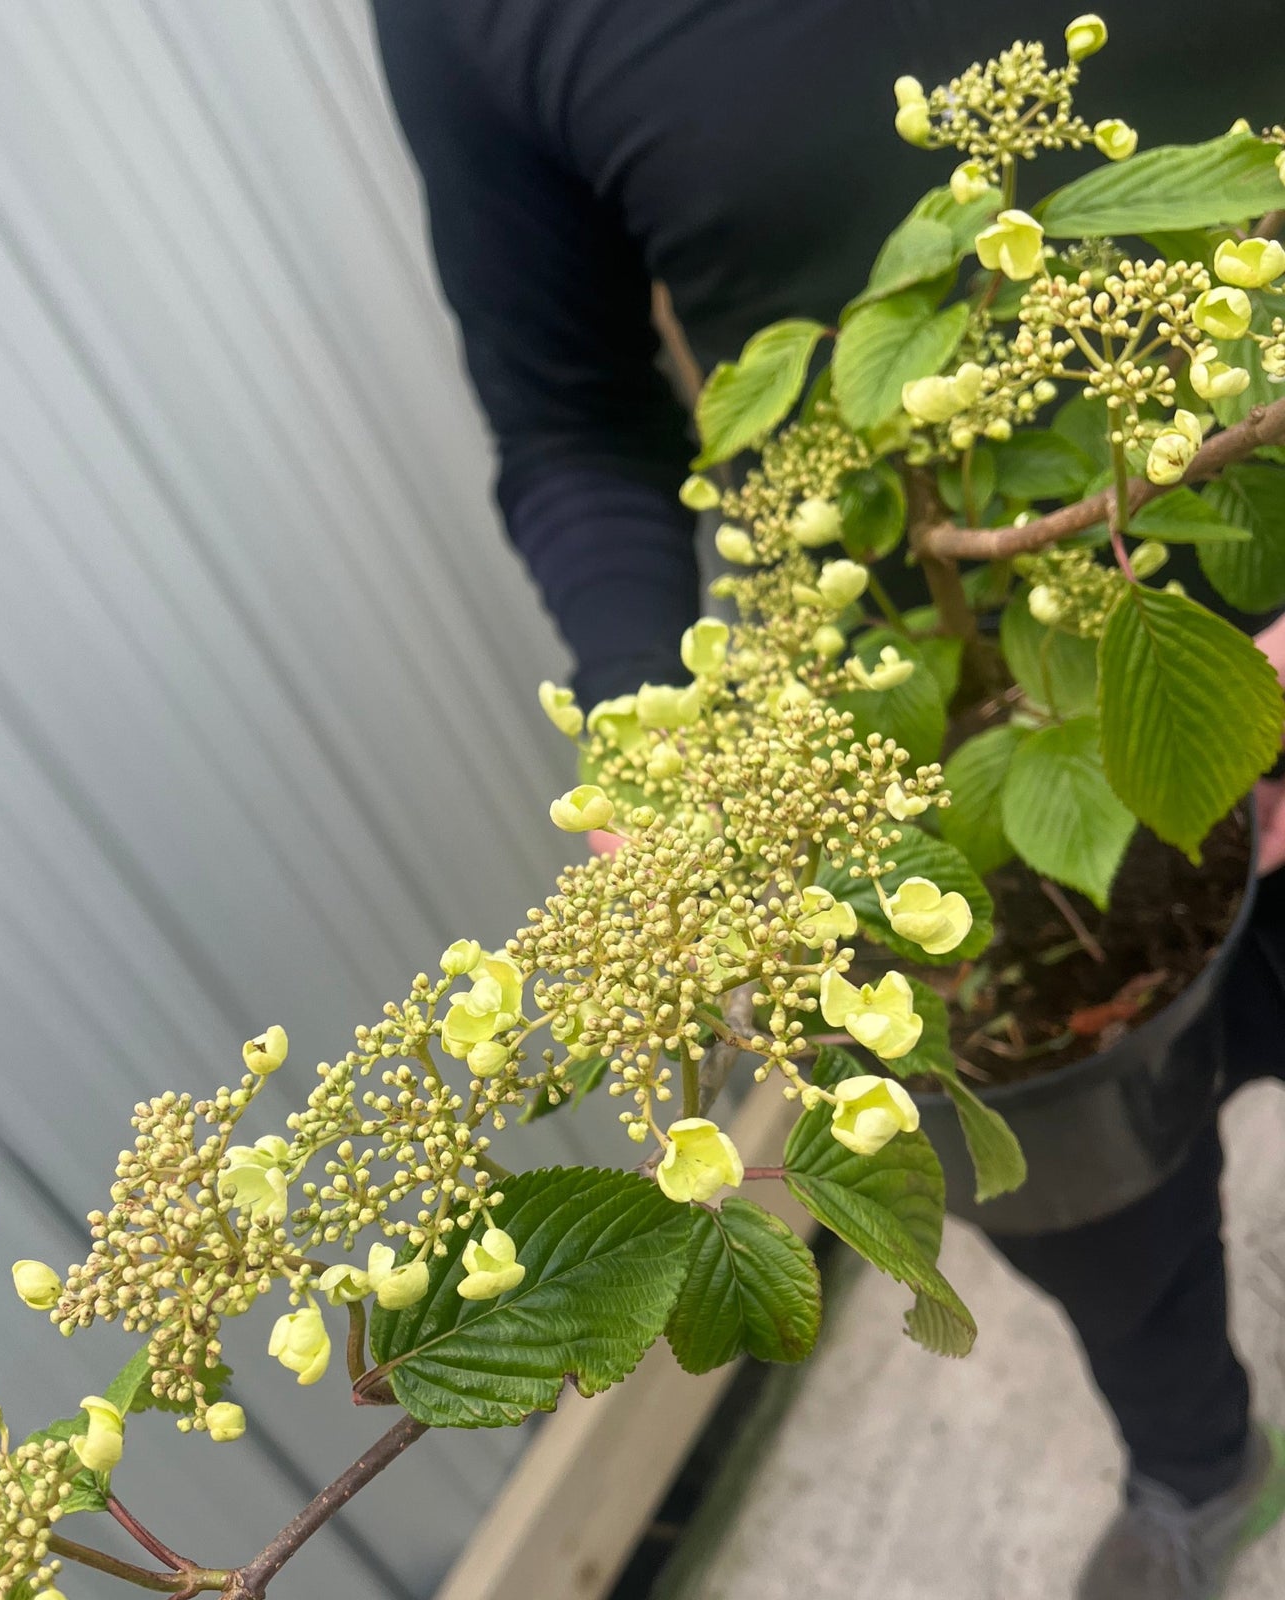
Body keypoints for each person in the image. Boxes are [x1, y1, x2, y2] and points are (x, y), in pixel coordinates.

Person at [371, 3, 1285, 1596]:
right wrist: (652, 739)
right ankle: (1199, 1463)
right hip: (916, 754)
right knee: (1092, 1209)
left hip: (1223, 550)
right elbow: (572, 418)